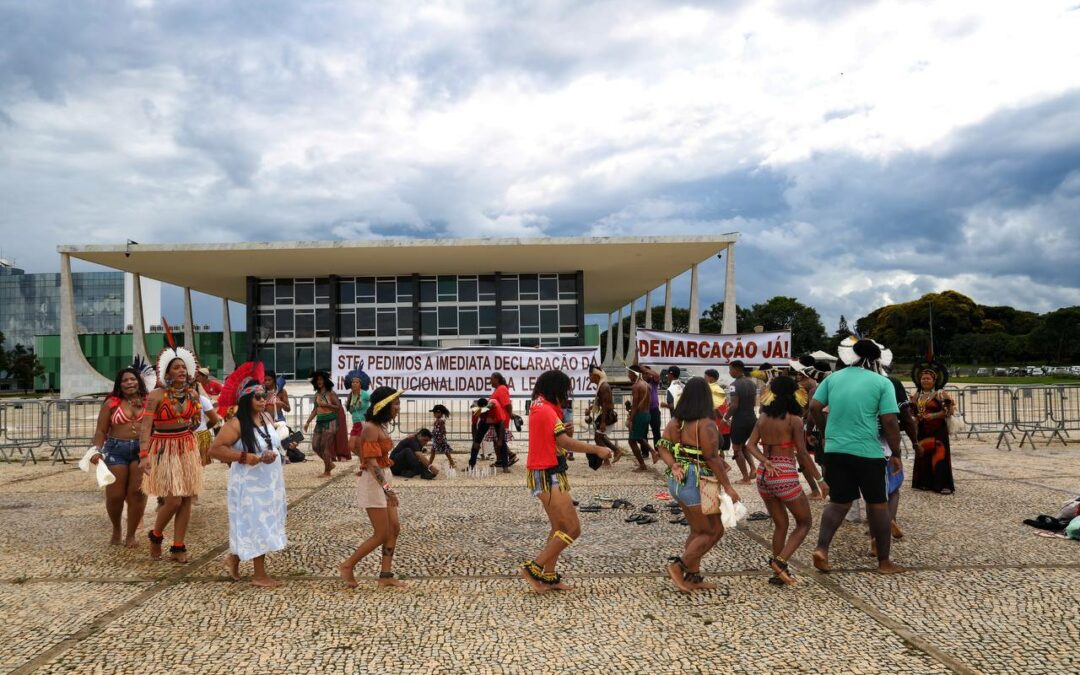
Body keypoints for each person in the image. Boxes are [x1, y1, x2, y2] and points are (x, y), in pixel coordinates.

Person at [808, 338, 906, 575]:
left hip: (835, 449)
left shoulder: (833, 378)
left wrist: (824, 432)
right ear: (876, 360)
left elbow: (814, 407)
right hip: (868, 451)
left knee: (839, 501)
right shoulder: (882, 383)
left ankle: (822, 549)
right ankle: (884, 562)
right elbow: (890, 421)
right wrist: (896, 452)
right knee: (878, 504)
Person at [520, 370, 613, 592]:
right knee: (572, 529)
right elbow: (564, 442)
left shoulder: (540, 406)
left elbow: (554, 439)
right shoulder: (546, 411)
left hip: (545, 473)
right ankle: (534, 568)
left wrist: (564, 432)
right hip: (547, 475)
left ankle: (549, 577)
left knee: (558, 528)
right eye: (564, 391)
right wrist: (597, 449)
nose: (566, 395)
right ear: (556, 389)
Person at [657, 377, 741, 592]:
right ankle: (678, 566)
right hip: (697, 481)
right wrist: (729, 487)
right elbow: (711, 457)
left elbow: (662, 446)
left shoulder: (678, 421)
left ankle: (693, 577)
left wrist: (673, 465)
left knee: (698, 530)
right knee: (712, 531)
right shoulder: (706, 423)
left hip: (679, 480)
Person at [209, 362, 287, 588]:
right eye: (258, 397)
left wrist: (273, 453)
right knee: (256, 522)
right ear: (246, 400)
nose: (263, 400)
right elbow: (215, 449)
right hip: (248, 483)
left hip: (270, 480)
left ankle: (233, 558)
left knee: (266, 520)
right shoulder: (236, 423)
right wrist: (244, 457)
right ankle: (259, 575)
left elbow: (269, 444)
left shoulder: (267, 419)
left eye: (264, 396)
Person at [744, 376, 813, 585]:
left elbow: (750, 445)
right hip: (784, 474)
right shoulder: (794, 420)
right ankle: (780, 562)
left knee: (781, 524)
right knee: (804, 522)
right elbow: (802, 453)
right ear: (794, 394)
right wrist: (819, 479)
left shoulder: (763, 418)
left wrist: (764, 460)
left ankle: (778, 574)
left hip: (764, 476)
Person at [140, 346, 204, 563]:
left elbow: (195, 423)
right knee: (173, 500)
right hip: (163, 448)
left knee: (186, 499)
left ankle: (178, 546)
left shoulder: (193, 394)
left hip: (186, 447)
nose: (181, 370)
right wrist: (144, 454)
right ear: (167, 373)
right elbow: (146, 426)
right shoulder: (156, 395)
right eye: (176, 367)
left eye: (183, 367)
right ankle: (156, 535)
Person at [340, 386, 408, 589]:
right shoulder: (369, 427)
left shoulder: (381, 426)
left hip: (384, 478)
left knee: (394, 528)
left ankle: (385, 575)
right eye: (395, 404)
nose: (398, 408)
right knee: (381, 533)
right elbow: (371, 462)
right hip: (374, 482)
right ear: (384, 406)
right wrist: (387, 489)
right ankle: (347, 565)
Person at [89, 364, 150, 547]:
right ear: (119, 384)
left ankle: (131, 534)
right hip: (116, 450)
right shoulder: (111, 403)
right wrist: (96, 450)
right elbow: (101, 430)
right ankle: (117, 528)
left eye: (132, 379)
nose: (129, 382)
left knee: (137, 494)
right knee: (115, 495)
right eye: (125, 380)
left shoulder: (149, 401)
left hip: (142, 450)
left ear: (139, 382)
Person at [910, 360, 956, 495]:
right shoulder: (917, 395)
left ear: (934, 380)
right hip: (923, 430)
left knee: (939, 457)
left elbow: (950, 411)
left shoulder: (940, 394)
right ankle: (924, 482)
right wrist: (914, 414)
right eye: (923, 378)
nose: (925, 381)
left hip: (938, 431)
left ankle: (943, 484)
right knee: (923, 455)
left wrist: (934, 416)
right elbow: (914, 412)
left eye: (928, 378)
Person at [304, 370, 347, 477]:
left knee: (324, 446)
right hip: (320, 422)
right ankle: (329, 464)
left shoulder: (331, 393)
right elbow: (315, 409)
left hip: (331, 421)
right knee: (315, 446)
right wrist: (308, 422)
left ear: (325, 381)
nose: (319, 381)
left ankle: (327, 471)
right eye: (317, 380)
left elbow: (338, 407)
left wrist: (326, 405)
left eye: (321, 379)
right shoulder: (317, 394)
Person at [468, 373, 513, 471]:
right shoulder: (476, 411)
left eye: (484, 413)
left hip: (497, 421)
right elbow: (474, 425)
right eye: (481, 413)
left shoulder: (496, 407)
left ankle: (505, 467)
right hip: (485, 422)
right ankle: (471, 466)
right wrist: (475, 440)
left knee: (502, 443)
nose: (482, 414)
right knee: (475, 443)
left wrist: (500, 440)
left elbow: (501, 423)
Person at [724, 360, 758, 484]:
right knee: (744, 446)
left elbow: (734, 406)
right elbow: (753, 403)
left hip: (740, 420)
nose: (729, 372)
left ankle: (745, 478)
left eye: (730, 369)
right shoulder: (752, 384)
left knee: (737, 448)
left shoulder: (734, 385)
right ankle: (753, 469)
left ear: (737, 370)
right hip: (752, 418)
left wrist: (725, 418)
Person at [584, 364, 624, 466]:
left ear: (596, 376)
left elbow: (606, 405)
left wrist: (603, 422)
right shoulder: (601, 386)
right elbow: (600, 402)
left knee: (598, 437)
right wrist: (590, 408)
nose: (589, 378)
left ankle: (611, 455)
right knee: (599, 437)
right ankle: (613, 453)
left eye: (590, 375)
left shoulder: (604, 386)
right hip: (606, 414)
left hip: (607, 415)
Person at [626, 365, 655, 470]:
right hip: (647, 414)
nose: (628, 376)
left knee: (631, 441)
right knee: (638, 437)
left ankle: (642, 465)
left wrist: (630, 419)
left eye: (629, 373)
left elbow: (635, 406)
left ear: (634, 374)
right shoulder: (647, 385)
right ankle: (653, 452)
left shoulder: (636, 386)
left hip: (639, 415)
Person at [345, 369, 371, 464]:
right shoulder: (350, 396)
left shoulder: (364, 394)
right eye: (353, 382)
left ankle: (364, 466)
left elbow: (374, 401)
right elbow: (351, 411)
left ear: (361, 384)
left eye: (356, 382)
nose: (354, 384)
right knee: (351, 446)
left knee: (360, 446)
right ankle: (365, 461)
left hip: (363, 423)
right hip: (355, 423)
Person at [641, 365, 664, 446]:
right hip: (643, 411)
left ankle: (658, 450)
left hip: (654, 410)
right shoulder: (640, 382)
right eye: (644, 373)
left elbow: (657, 375)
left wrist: (646, 370)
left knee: (656, 432)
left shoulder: (653, 382)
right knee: (643, 433)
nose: (646, 375)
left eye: (648, 373)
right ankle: (645, 452)